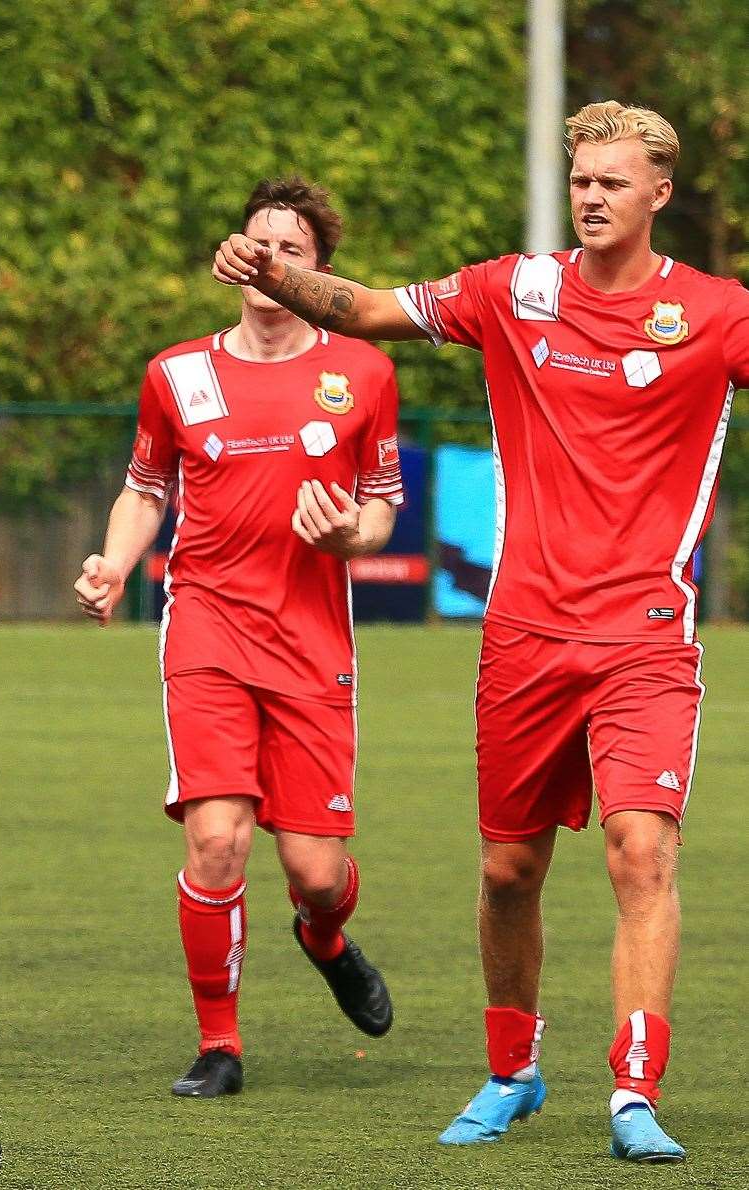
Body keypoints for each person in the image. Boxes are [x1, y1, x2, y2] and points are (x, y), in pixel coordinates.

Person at [214, 100, 749, 1164]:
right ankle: (513, 1070)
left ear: (658, 193)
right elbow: (364, 308)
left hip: (646, 633)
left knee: (642, 852)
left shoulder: (715, 311)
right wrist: (271, 273)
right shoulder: (516, 290)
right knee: (509, 870)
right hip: (523, 636)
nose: (591, 196)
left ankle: (634, 1089)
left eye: (612, 181)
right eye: (581, 178)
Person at [75, 178, 400, 1099]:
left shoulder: (364, 372)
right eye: (255, 242)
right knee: (217, 841)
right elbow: (144, 490)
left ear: (319, 272)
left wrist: (352, 538)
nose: (269, 259)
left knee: (314, 866)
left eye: (290, 248)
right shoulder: (175, 374)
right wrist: (111, 562)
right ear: (231, 257)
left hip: (310, 641)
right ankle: (219, 1044)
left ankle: (324, 934)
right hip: (206, 627)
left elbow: (379, 509)